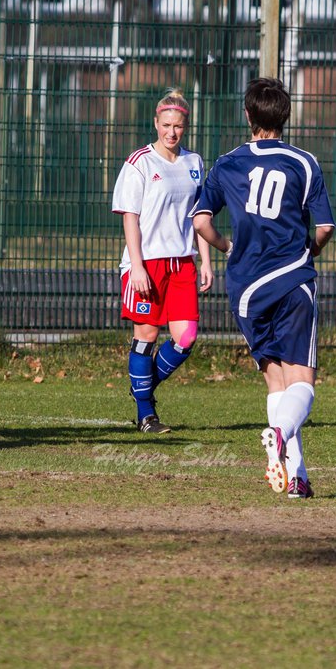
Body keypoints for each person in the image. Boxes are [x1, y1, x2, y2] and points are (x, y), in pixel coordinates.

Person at [192, 77, 336, 499]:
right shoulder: (304, 163)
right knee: (303, 383)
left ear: (248, 115)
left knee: (277, 381)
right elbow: (325, 226)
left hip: (245, 289)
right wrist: (311, 248)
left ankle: (298, 478)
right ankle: (279, 433)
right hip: (291, 279)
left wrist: (226, 246)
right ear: (285, 118)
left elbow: (201, 221)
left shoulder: (228, 163)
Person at [111, 90, 213, 434]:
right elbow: (130, 217)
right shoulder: (139, 162)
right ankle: (146, 414)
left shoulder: (195, 163)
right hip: (147, 264)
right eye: (166, 125)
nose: (172, 132)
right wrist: (136, 265)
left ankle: (143, 388)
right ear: (155, 123)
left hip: (182, 263)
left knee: (186, 337)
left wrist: (206, 262)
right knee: (147, 335)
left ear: (186, 127)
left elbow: (201, 216)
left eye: (178, 126)